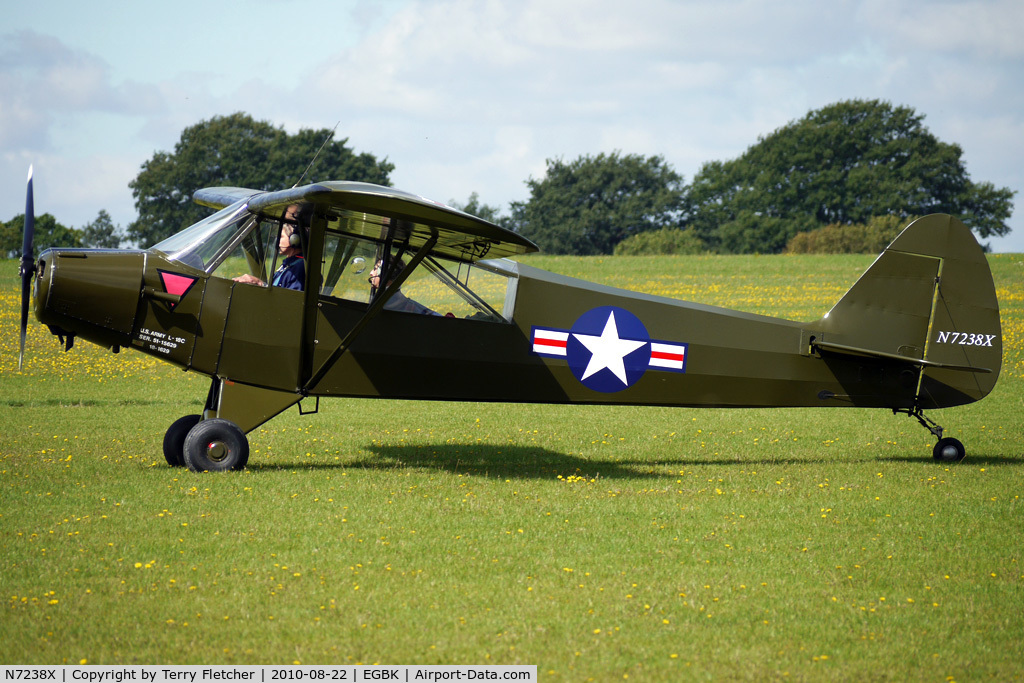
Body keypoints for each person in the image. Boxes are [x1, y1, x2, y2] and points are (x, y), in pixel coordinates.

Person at [234, 204, 310, 291]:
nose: (277, 241)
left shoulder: (300, 268)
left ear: (294, 239)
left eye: (281, 237)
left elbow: (291, 300)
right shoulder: (288, 265)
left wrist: (260, 283)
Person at [369, 256, 440, 315]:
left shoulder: (386, 303)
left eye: (375, 268)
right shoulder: (397, 301)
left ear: (384, 273)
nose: (371, 273)